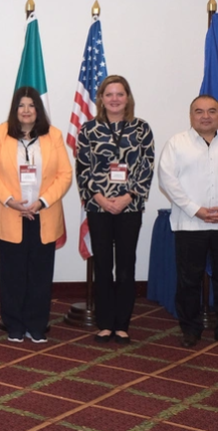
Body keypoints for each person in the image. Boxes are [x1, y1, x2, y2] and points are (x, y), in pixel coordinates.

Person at [0, 86, 72, 343]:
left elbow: (65, 175)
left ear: (38, 110)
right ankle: (13, 323)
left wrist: (42, 202)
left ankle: (36, 324)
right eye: (21, 105)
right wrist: (11, 201)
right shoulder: (0, 133)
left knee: (40, 273)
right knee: (11, 273)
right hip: (10, 213)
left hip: (43, 214)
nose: (26, 110)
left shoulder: (53, 135)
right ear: (15, 109)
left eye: (31, 106)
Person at [76, 75, 154, 345]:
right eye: (109, 94)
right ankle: (105, 323)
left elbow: (147, 166)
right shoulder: (89, 130)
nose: (114, 99)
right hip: (98, 207)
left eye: (120, 94)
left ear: (128, 98)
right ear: (100, 99)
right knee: (103, 265)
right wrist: (99, 197)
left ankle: (122, 324)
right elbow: (83, 168)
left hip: (129, 207)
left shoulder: (141, 129)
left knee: (125, 266)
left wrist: (127, 196)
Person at [158, 94, 218, 348]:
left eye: (212, 111)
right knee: (189, 280)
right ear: (190, 115)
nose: (205, 116)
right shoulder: (177, 143)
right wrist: (196, 210)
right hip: (189, 224)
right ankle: (191, 329)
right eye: (199, 111)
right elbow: (167, 180)